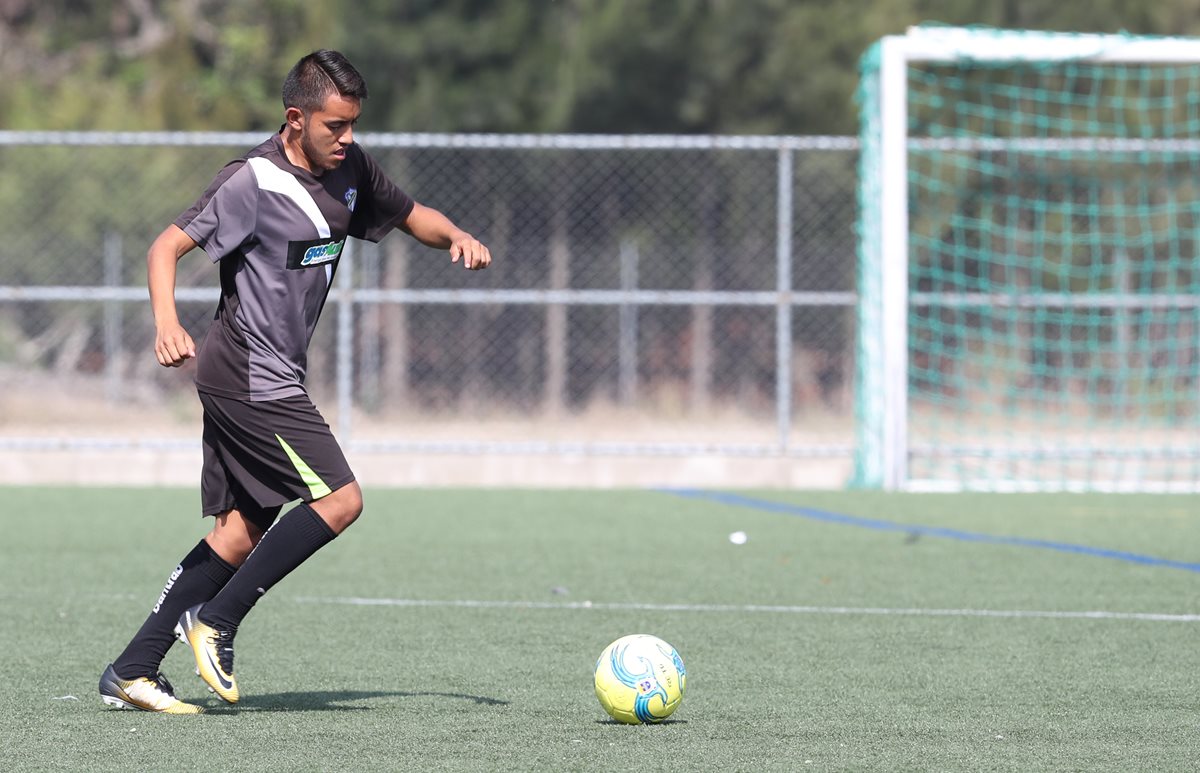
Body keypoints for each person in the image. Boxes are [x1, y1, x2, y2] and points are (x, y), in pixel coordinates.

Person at [98, 49, 491, 713]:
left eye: (354, 124)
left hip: (266, 373)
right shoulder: (251, 182)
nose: (348, 137)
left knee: (239, 532)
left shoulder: (350, 169)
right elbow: (164, 247)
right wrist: (167, 322)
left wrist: (453, 234)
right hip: (247, 371)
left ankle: (131, 670)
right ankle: (216, 620)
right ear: (294, 118)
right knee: (341, 499)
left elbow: (408, 212)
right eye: (335, 125)